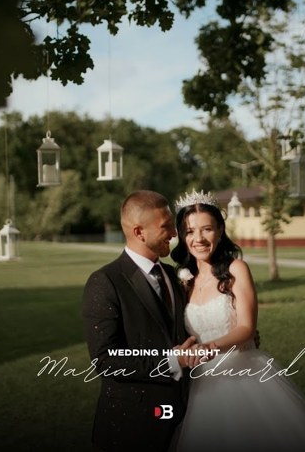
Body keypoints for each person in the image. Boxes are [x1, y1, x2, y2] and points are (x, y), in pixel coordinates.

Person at [171, 190, 305, 452]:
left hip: (243, 373)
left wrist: (209, 347)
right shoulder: (183, 280)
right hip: (201, 382)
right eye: (190, 231)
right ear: (182, 236)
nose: (199, 239)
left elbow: (247, 328)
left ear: (220, 230)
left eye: (207, 229)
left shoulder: (236, 269)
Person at [82, 190, 205, 452]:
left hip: (181, 417)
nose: (174, 233)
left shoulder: (172, 275)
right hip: (132, 426)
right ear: (139, 232)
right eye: (166, 226)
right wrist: (171, 361)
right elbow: (105, 360)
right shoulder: (105, 282)